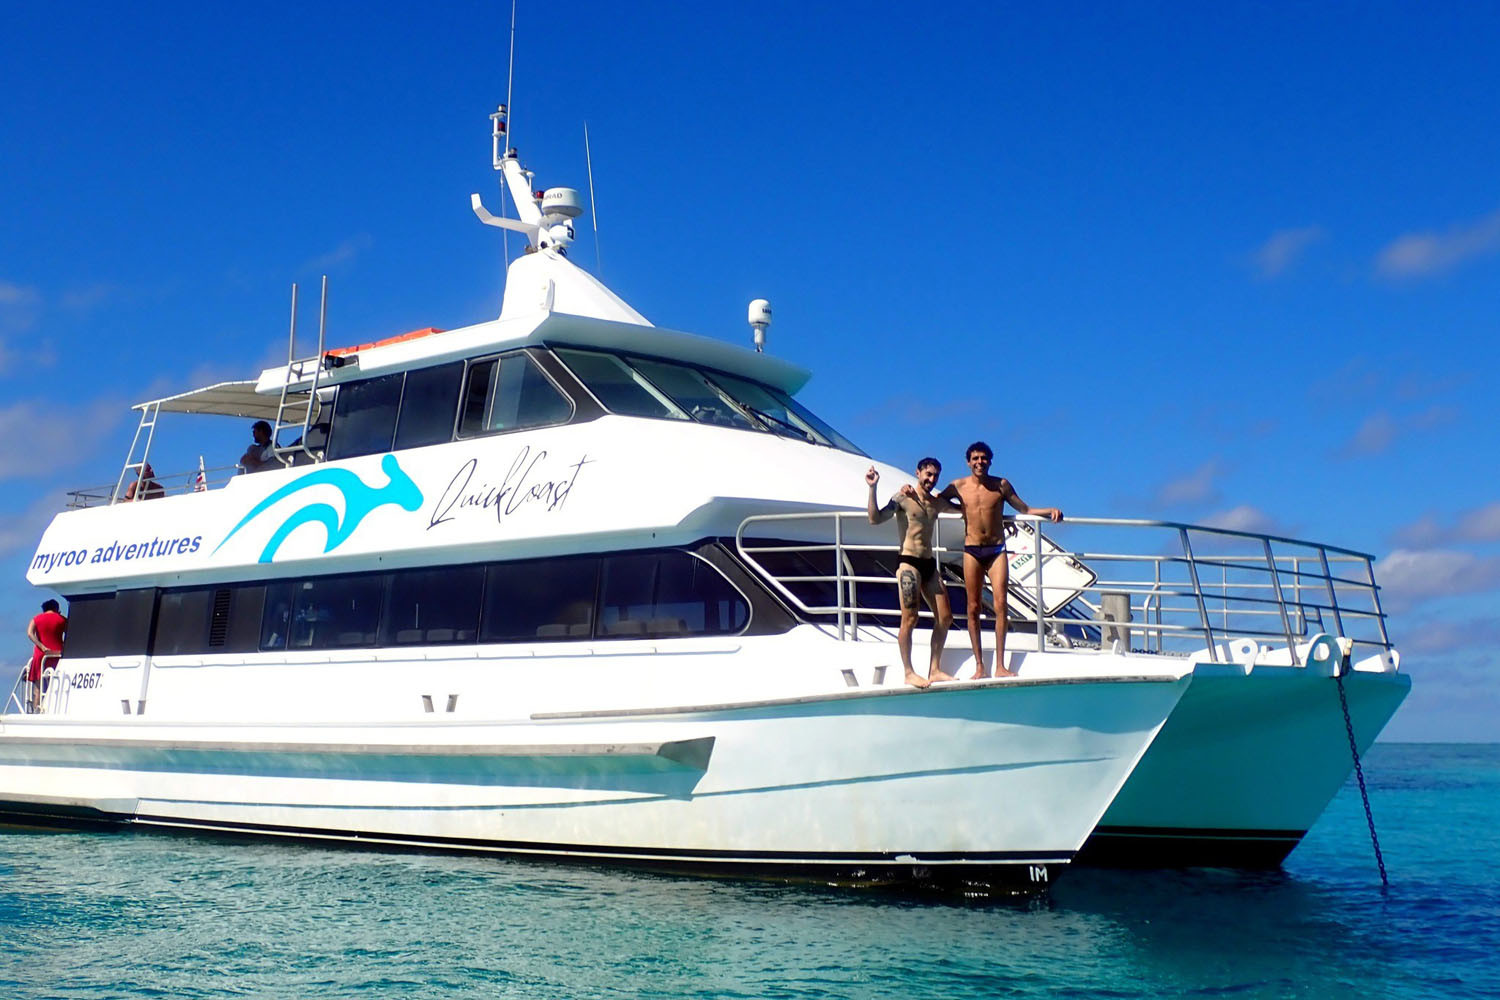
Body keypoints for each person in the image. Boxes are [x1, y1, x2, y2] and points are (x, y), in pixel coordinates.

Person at [935, 441, 1062, 679]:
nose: (979, 462)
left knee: (1001, 605)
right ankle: (979, 666)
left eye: (983, 458)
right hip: (971, 550)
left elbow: (1024, 508)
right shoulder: (957, 486)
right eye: (975, 458)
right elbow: (937, 503)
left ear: (990, 461)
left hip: (996, 550)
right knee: (972, 608)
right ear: (968, 461)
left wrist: (1049, 511)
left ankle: (1001, 665)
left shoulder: (1000, 485)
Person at [866, 460, 955, 689]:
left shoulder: (937, 504)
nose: (931, 479)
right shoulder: (903, 498)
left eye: (935, 476)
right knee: (910, 618)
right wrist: (873, 488)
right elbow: (874, 519)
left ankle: (934, 669)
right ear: (918, 473)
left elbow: (970, 510)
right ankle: (908, 672)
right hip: (908, 563)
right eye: (928, 474)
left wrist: (999, 522)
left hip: (928, 564)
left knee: (945, 618)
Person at [26, 599, 67, 712]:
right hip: (58, 655)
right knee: (58, 685)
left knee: (38, 688)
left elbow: (30, 633)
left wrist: (42, 646)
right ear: (56, 608)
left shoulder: (37, 618)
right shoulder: (62, 619)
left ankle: (37, 711)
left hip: (41, 655)